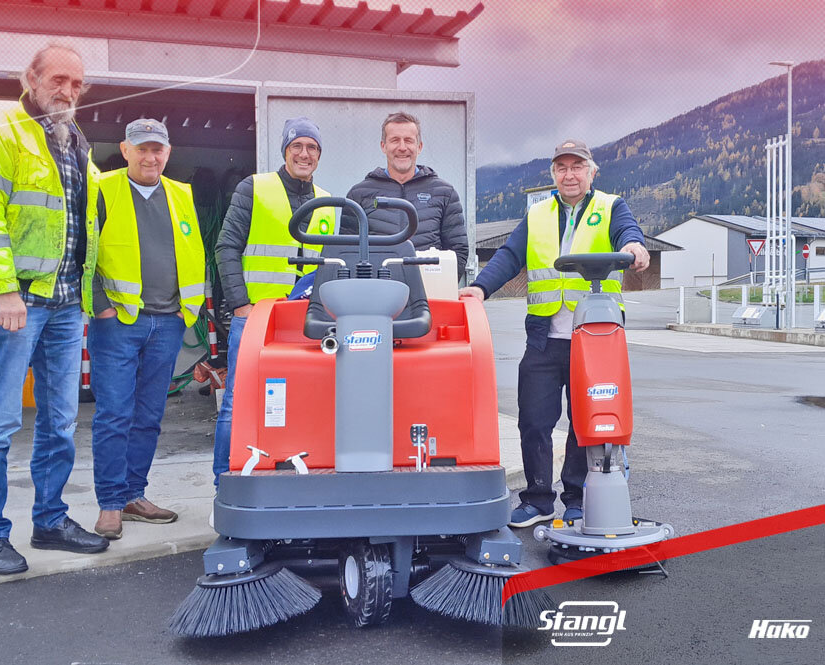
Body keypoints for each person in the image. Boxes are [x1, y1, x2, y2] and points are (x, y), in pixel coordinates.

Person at [0, 44, 109, 574]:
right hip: (13, 302)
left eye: (77, 84)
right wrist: (2, 289)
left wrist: (88, 298)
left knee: (60, 422)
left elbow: (78, 225)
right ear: (31, 78)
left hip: (63, 305)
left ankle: (50, 521)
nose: (68, 91)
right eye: (59, 79)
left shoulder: (73, 138)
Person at [459, 139, 649, 528]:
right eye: (561, 168)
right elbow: (509, 255)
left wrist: (634, 245)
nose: (569, 174)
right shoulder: (538, 214)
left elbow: (627, 233)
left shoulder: (611, 207)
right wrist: (479, 288)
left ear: (592, 172)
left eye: (577, 166)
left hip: (593, 338)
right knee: (533, 419)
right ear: (553, 175)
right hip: (544, 337)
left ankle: (577, 499)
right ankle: (538, 499)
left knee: (585, 421)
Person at [90, 119, 205, 539]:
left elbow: (193, 253)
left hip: (168, 322)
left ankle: (133, 495)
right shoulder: (102, 189)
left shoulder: (180, 194)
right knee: (114, 414)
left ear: (168, 153)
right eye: (142, 149)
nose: (150, 157)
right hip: (119, 322)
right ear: (125, 150)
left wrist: (184, 314)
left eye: (157, 149)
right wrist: (101, 307)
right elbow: (84, 251)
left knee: (149, 416)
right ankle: (109, 503)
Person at [213, 117, 334, 485]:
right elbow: (226, 247)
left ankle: (289, 479)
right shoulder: (254, 188)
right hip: (257, 318)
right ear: (285, 150)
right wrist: (240, 305)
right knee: (238, 402)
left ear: (319, 155)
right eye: (297, 146)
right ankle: (225, 482)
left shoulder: (329, 201)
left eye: (312, 147)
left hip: (305, 322)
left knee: (300, 403)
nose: (304, 154)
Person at [342, 111, 468, 279]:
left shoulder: (444, 193)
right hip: (375, 291)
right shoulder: (359, 194)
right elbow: (346, 252)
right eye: (395, 140)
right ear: (383, 146)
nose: (402, 147)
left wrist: (437, 284)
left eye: (408, 140)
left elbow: (458, 251)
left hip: (428, 290)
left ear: (419, 146)